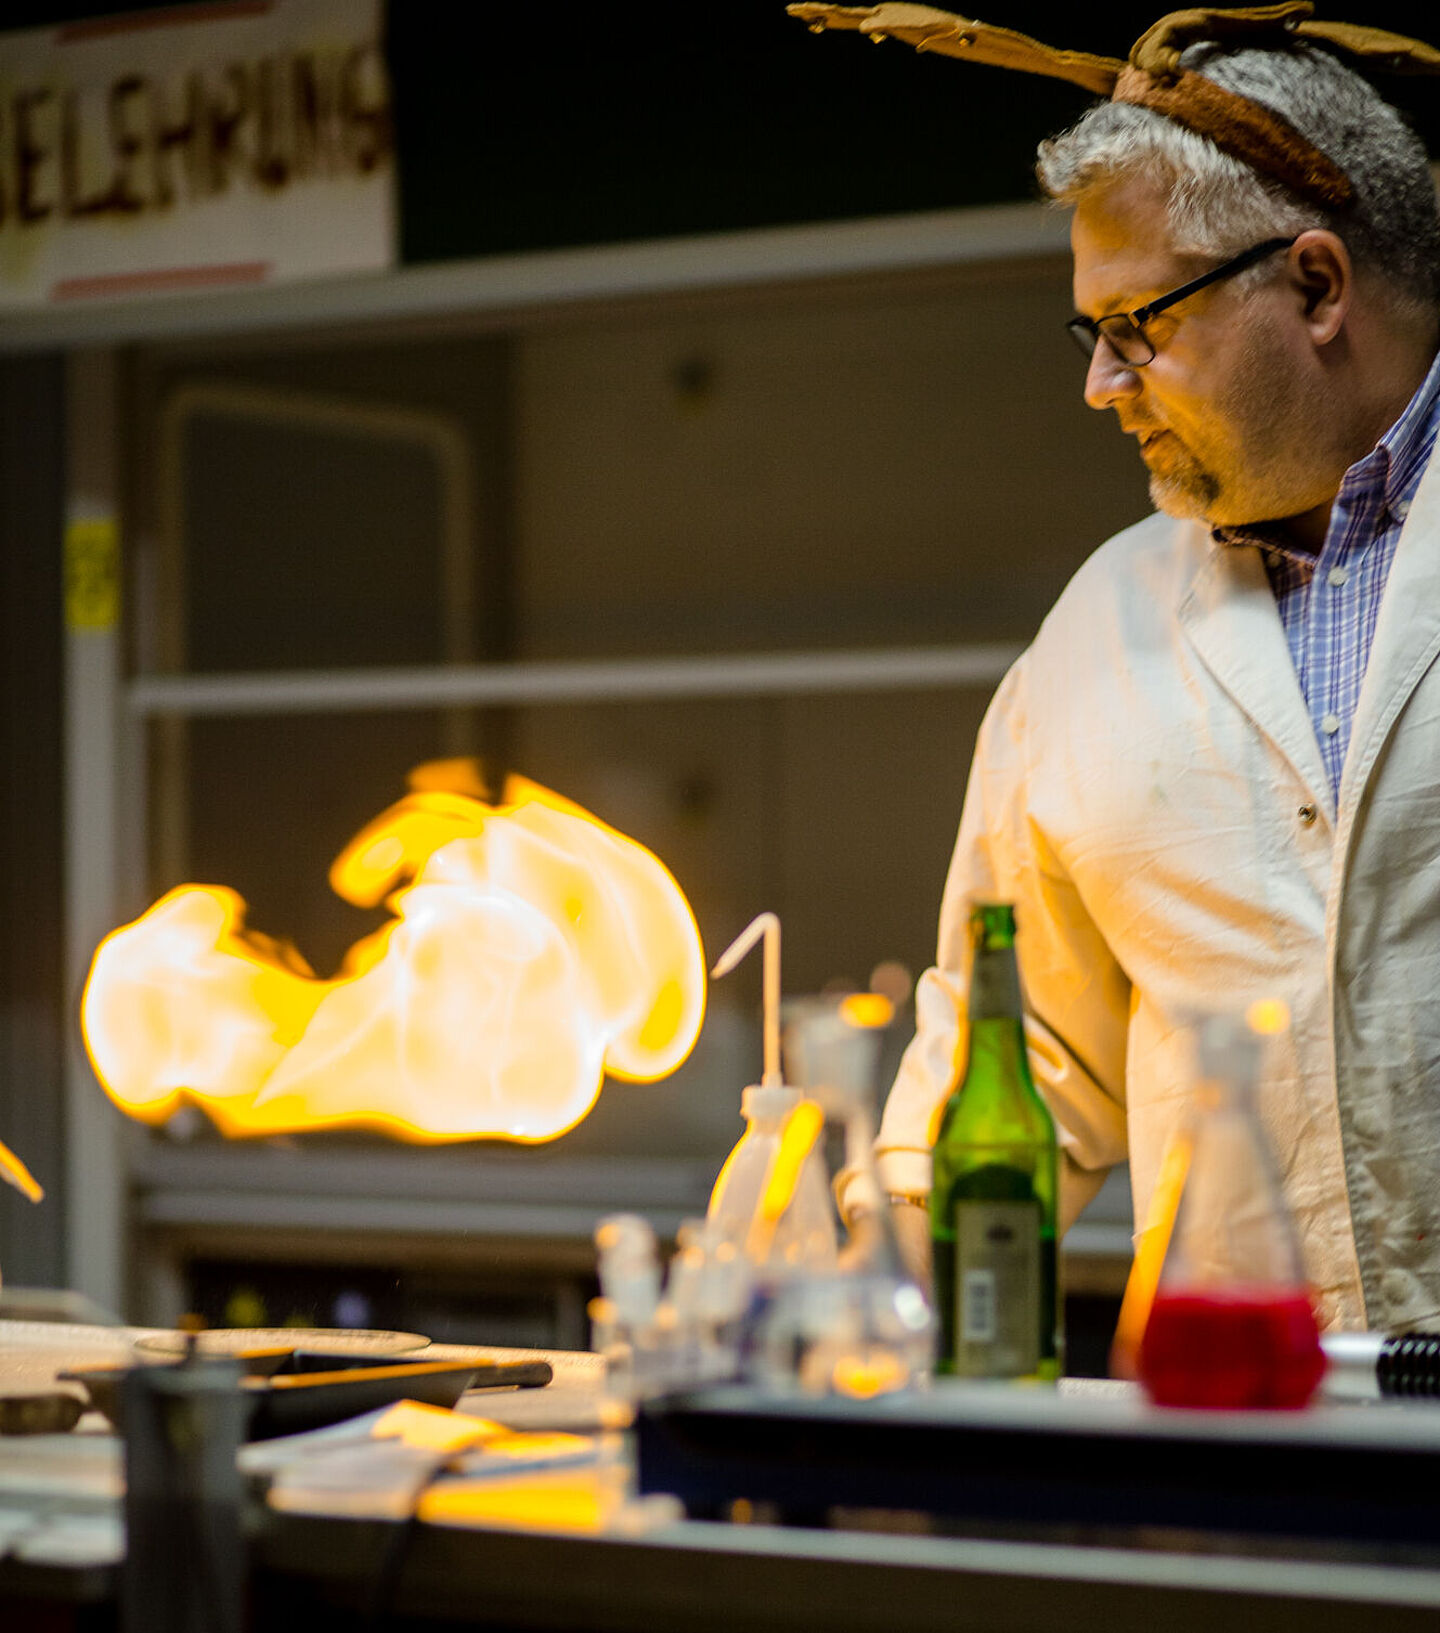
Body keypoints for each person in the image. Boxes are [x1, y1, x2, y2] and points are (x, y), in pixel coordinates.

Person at [831, 19, 1440, 1333]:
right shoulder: (1095, 632)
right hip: (1236, 1452)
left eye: (1138, 324)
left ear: (1318, 285)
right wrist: (860, 1282)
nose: (1103, 383)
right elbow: (1022, 1060)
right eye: (1089, 333)